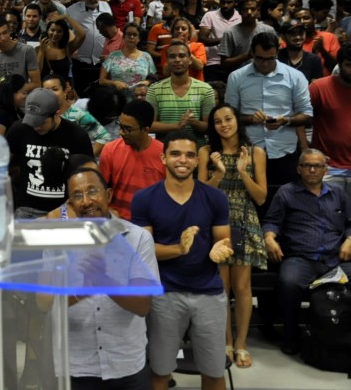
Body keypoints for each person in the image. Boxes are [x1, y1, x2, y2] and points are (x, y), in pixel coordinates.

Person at [131, 130, 234, 390]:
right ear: (163, 158)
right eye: (175, 154)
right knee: (160, 372)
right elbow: (145, 250)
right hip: (164, 294)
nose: (183, 160)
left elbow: (224, 239)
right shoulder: (144, 199)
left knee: (213, 372)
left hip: (209, 293)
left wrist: (219, 250)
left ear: (197, 161)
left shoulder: (215, 198)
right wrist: (179, 248)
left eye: (190, 155)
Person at [39, 166, 158, 390]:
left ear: (109, 195)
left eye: (92, 191)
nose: (85, 201)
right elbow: (44, 302)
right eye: (77, 195)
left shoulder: (138, 238)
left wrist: (104, 281)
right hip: (75, 364)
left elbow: (143, 305)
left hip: (126, 363)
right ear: (70, 204)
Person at [197, 104, 267, 368]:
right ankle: (225, 342)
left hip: (245, 221)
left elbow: (260, 198)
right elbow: (200, 195)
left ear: (237, 121)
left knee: (242, 287)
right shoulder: (206, 152)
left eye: (228, 119)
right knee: (221, 288)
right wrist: (218, 173)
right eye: (217, 121)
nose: (224, 124)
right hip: (216, 223)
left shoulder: (255, 152)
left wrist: (241, 172)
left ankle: (241, 344)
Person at [262, 149, 351, 355]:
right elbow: (272, 222)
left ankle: (344, 336)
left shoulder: (338, 193)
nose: (312, 169)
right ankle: (290, 336)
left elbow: (349, 223)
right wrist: (269, 238)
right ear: (299, 169)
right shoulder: (286, 192)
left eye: (317, 166)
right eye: (307, 166)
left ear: (325, 169)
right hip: (300, 258)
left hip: (335, 257)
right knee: (289, 282)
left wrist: (349, 240)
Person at [226, 32, 312, 188]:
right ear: (252, 53)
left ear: (277, 53)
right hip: (248, 152)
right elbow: (227, 116)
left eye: (270, 59)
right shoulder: (236, 77)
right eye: (260, 58)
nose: (265, 64)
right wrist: (250, 119)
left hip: (285, 152)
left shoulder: (295, 77)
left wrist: (286, 121)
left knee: (285, 203)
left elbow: (307, 116)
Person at [6, 88, 93, 218]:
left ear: (56, 114)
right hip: (27, 208)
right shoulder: (19, 130)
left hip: (64, 208)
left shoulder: (77, 136)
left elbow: (89, 175)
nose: (36, 127)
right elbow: (1, 163)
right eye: (32, 123)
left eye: (41, 123)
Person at [99, 99, 164, 221]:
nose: (120, 132)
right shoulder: (110, 150)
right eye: (120, 126)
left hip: (153, 223)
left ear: (145, 130)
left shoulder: (164, 154)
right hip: (118, 222)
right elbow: (100, 189)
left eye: (127, 129)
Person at [147, 41, 216, 149]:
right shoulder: (154, 90)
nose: (177, 60)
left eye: (182, 56)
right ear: (167, 61)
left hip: (197, 154)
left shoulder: (205, 89)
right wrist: (176, 126)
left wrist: (194, 123)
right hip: (165, 152)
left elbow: (211, 126)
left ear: (190, 60)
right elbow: (149, 124)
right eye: (172, 56)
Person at [308, 42, 351, 194]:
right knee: (326, 215)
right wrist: (305, 150)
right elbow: (300, 118)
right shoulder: (320, 87)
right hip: (328, 167)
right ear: (339, 65)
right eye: (349, 65)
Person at [66, 0, 112, 96]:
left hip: (101, 62)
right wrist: (70, 49)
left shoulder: (106, 7)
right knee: (81, 94)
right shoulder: (71, 10)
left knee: (100, 96)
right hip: (80, 62)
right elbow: (64, 31)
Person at [98, 23, 156, 99]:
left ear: (139, 39)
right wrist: (114, 83)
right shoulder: (113, 56)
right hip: (117, 99)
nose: (131, 37)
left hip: (139, 99)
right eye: (128, 34)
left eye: (135, 35)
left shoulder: (146, 57)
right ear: (123, 37)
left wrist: (146, 82)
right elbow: (101, 81)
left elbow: (154, 78)